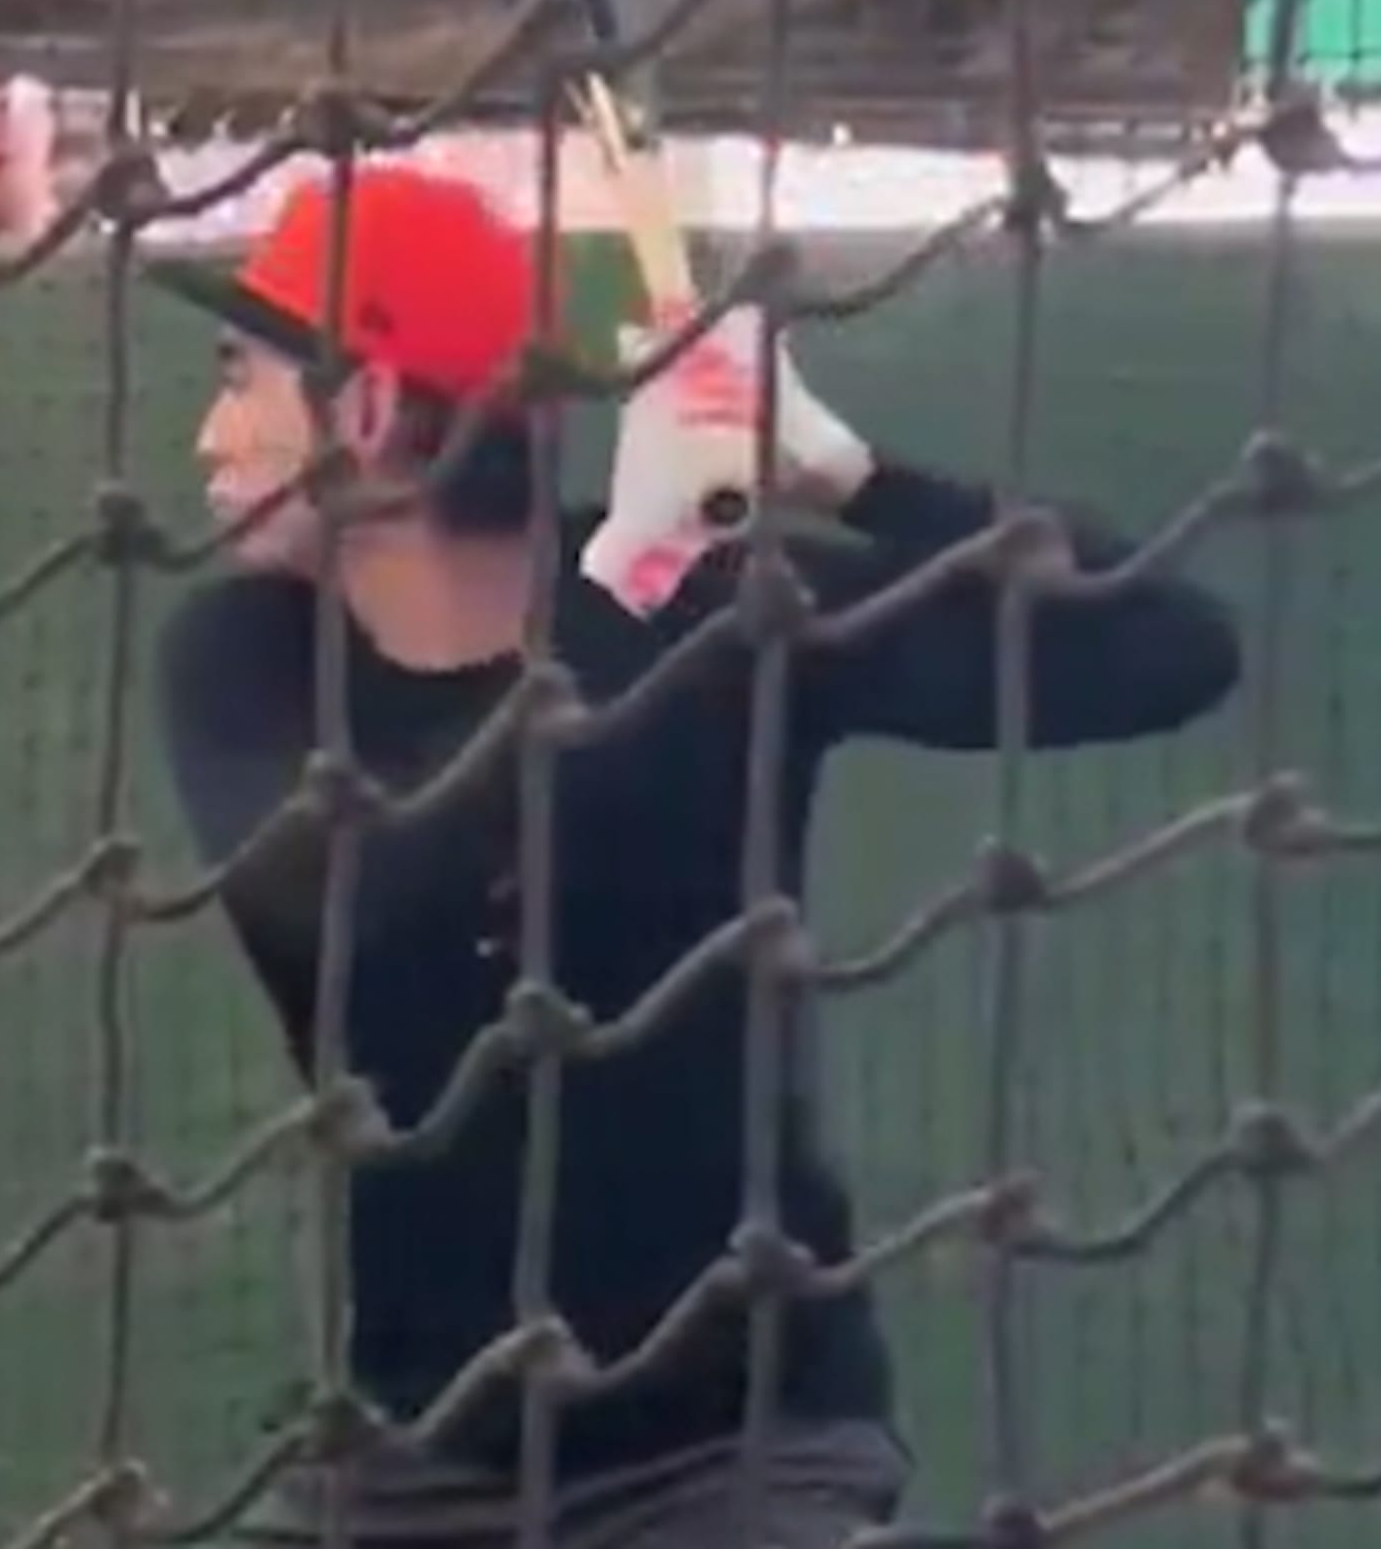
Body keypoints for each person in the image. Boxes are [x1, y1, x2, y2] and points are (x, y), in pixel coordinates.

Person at [141, 162, 1243, 1546]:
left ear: (362, 412)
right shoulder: (244, 658)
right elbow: (376, 900)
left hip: (742, 1453)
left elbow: (1166, 652)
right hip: (419, 1469)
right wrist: (631, 580)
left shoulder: (727, 612)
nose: (209, 435)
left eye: (241, 381)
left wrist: (854, 472)